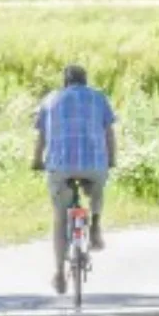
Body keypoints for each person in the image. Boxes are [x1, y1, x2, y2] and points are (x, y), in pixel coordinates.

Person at [33, 64, 117, 295]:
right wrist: (111, 160)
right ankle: (96, 225)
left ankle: (60, 274)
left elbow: (41, 136)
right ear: (86, 81)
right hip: (94, 164)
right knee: (97, 189)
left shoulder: (50, 100)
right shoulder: (99, 98)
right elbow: (109, 132)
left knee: (60, 219)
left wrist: (36, 161)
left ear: (65, 82)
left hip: (60, 167)